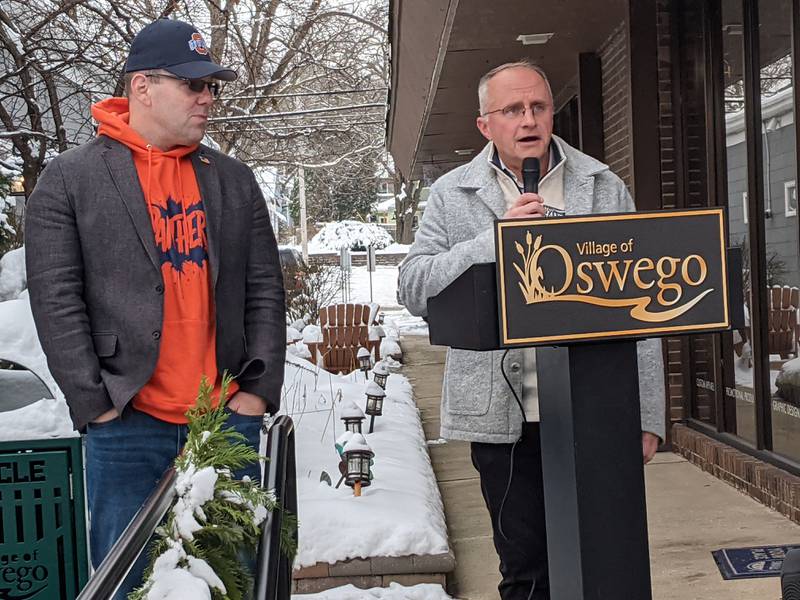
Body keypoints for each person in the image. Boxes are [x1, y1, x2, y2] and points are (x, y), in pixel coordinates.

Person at [25, 19, 286, 598]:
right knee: (129, 585)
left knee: (233, 581)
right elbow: (56, 300)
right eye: (193, 86)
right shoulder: (69, 180)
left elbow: (266, 289)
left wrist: (257, 393)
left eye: (212, 86)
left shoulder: (234, 180)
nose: (208, 98)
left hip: (225, 419)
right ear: (142, 86)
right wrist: (96, 406)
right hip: (127, 423)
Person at [398, 60, 665, 600]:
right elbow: (412, 286)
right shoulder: (454, 194)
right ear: (485, 124)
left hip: (596, 414)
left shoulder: (601, 185)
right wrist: (493, 242)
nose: (528, 120)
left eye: (538, 107)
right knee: (526, 571)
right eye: (512, 109)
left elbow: (647, 304)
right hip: (505, 421)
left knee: (605, 564)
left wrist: (649, 412)